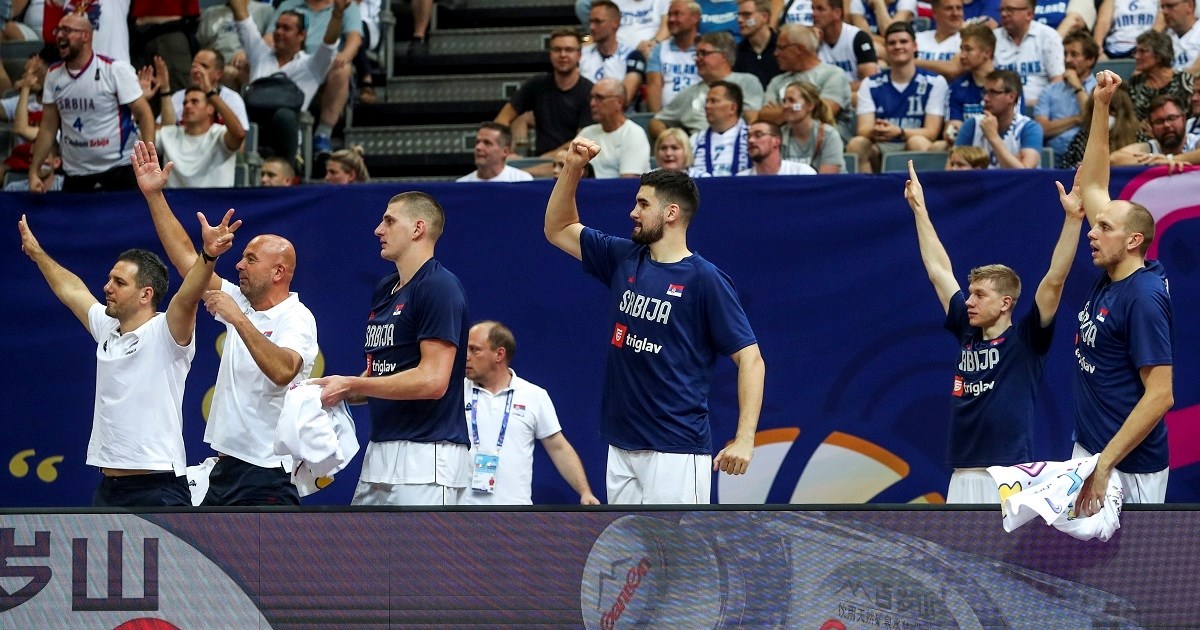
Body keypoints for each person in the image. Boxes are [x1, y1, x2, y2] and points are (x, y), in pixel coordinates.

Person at [544, 137, 765, 504]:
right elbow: (558, 228)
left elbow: (751, 359)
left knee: (679, 558)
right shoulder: (624, 256)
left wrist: (744, 438)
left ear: (671, 213)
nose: (633, 212)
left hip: (675, 447)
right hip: (621, 443)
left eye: (643, 204)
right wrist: (572, 168)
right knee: (634, 560)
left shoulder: (705, 279)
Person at [16, 191, 237, 507]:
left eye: (119, 282)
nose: (107, 287)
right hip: (108, 489)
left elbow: (188, 296)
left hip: (158, 489)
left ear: (146, 294)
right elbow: (72, 289)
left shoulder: (166, 331)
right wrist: (37, 253)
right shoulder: (108, 327)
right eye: (109, 279)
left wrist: (208, 255)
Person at [133, 140, 319, 506]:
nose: (238, 265)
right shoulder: (242, 301)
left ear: (279, 272)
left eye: (250, 259)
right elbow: (189, 262)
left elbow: (284, 370)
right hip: (226, 467)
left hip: (268, 471)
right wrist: (154, 195)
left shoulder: (296, 316)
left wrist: (237, 319)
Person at [904, 159, 1083, 503]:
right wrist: (919, 209)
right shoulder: (967, 330)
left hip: (1008, 477)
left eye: (979, 295)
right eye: (969, 293)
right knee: (956, 559)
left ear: (1005, 303)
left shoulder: (1027, 340)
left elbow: (1055, 280)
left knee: (1003, 561)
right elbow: (939, 271)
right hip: (962, 474)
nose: (968, 301)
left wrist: (1074, 220)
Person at [314, 192, 471, 506]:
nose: (378, 230)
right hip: (380, 450)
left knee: (419, 557)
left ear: (417, 229)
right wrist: (329, 391)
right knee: (362, 555)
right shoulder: (385, 288)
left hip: (427, 455)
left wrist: (352, 384)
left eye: (389, 221)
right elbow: (381, 373)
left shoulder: (439, 286)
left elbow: (433, 381)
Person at [1071, 70, 1174, 517]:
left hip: (1128, 467)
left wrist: (1104, 466)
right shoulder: (1115, 270)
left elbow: (1160, 395)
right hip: (1093, 451)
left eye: (1104, 227)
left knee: (1127, 584)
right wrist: (1101, 107)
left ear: (1133, 240)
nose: (1091, 233)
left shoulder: (1143, 297)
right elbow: (1093, 185)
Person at [460, 321, 601, 506]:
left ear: (499, 354)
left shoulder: (534, 396)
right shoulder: (455, 393)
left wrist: (585, 492)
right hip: (462, 512)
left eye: (474, 350)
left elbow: (558, 447)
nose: (466, 356)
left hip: (516, 514)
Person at [28, 12, 155, 193]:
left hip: (120, 168)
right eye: (58, 30)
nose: (59, 35)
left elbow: (144, 114)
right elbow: (48, 126)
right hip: (76, 173)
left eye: (67, 30)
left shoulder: (114, 69)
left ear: (85, 36)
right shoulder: (53, 75)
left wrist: (149, 161)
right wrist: (34, 171)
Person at [233, 0, 340, 167]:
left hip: (285, 138)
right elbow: (241, 17)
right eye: (277, 27)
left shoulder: (311, 66)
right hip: (253, 128)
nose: (278, 32)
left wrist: (338, 14)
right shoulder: (259, 53)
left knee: (285, 116)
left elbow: (329, 44)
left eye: (286, 28)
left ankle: (288, 171)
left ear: (302, 35)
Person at [847, 22, 948, 173]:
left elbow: (931, 131)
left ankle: (919, 194)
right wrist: (877, 129)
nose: (898, 46)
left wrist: (899, 132)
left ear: (914, 46)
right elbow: (863, 129)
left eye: (903, 41)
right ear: (886, 49)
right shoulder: (871, 83)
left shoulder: (935, 82)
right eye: (892, 43)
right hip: (881, 143)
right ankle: (868, 193)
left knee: (918, 143)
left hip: (912, 139)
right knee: (857, 144)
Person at [264, 0, 363, 153]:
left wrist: (345, 55)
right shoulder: (288, 4)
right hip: (294, 60)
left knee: (343, 69)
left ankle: (323, 134)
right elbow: (269, 37)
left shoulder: (345, 6)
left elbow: (354, 39)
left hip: (326, 62)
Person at [494, 28, 593, 160]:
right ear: (550, 54)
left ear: (579, 55)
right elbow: (502, 119)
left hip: (572, 161)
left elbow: (582, 142)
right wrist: (505, 149)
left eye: (569, 50)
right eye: (557, 50)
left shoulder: (589, 91)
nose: (563, 55)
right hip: (540, 161)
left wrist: (544, 159)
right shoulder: (537, 84)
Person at [149, 57, 247, 188]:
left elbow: (239, 134)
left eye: (194, 102)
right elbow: (146, 145)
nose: (187, 106)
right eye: (185, 103)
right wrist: (143, 102)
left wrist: (209, 91)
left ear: (210, 108)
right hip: (175, 205)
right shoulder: (170, 134)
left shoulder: (219, 134)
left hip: (214, 204)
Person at [648, 31, 764, 139]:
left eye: (704, 53)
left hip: (736, 143)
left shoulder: (747, 82)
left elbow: (752, 120)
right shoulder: (689, 93)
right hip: (698, 149)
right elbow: (656, 122)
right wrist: (673, 140)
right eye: (697, 54)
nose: (698, 59)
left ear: (723, 56)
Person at [760, 24, 853, 140]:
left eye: (781, 48)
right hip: (784, 143)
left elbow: (823, 114)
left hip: (824, 143)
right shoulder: (777, 81)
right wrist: (802, 110)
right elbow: (764, 115)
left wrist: (781, 112)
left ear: (799, 49)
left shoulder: (833, 75)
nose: (776, 53)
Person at [955, 69, 1043, 168]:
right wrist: (1014, 164)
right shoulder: (972, 125)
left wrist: (993, 137)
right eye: (985, 92)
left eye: (993, 93)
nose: (986, 98)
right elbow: (952, 169)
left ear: (1011, 97)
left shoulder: (1029, 128)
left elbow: (1026, 175)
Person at [1034, 31, 1097, 166]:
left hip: (1089, 157)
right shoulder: (1049, 90)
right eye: (1065, 54)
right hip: (1054, 159)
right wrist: (1075, 119)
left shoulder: (1100, 88)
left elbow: (1094, 122)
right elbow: (1041, 129)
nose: (1067, 60)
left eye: (1074, 55)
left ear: (1090, 60)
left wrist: (1077, 87)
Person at [991, 0, 1064, 107]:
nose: (1003, 14)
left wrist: (1040, 106)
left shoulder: (1049, 36)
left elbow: (1057, 81)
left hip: (1041, 109)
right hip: (1001, 109)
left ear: (1029, 14)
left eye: (1010, 10)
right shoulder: (993, 39)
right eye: (1002, 10)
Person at [579, 77, 653, 178]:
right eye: (591, 98)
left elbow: (627, 183)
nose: (592, 103)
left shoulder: (634, 134)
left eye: (599, 98)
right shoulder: (586, 133)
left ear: (619, 102)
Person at [196, 0, 275, 90]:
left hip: (245, 65)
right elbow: (203, 46)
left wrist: (247, 53)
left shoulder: (264, 10)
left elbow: (269, 45)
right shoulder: (210, 13)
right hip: (216, 64)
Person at [1059, 87, 1145, 168]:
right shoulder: (1082, 137)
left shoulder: (1138, 137)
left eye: (1111, 110)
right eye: (1099, 110)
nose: (1105, 114)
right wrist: (1080, 167)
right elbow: (1065, 169)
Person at [581, 0, 647, 105]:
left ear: (615, 24)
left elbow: (624, 100)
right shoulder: (581, 54)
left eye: (598, 22)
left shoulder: (632, 56)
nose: (592, 27)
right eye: (591, 22)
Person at [166, 49, 250, 130]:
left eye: (204, 66)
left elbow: (242, 137)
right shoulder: (178, 97)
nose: (196, 70)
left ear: (218, 74)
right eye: (194, 66)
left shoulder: (232, 99)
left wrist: (209, 91)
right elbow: (162, 133)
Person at [942, 23, 996, 147]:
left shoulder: (1008, 84)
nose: (962, 56)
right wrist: (952, 132)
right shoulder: (957, 87)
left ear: (987, 52)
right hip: (966, 149)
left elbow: (1013, 127)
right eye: (961, 49)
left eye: (968, 49)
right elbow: (952, 127)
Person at [1110, 94, 1199, 166]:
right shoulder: (1151, 147)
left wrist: (1169, 160)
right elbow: (1114, 159)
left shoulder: (1195, 142)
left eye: (1171, 118)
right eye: (1159, 122)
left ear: (1184, 119)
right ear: (1151, 128)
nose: (1166, 125)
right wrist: (1152, 161)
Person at [779, 80, 845, 172]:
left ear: (810, 106)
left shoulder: (829, 135)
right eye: (784, 101)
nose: (786, 106)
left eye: (792, 100)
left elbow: (827, 180)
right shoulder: (779, 135)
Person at [646, 0, 702, 111]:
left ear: (695, 17)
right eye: (669, 15)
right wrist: (655, 118)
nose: (671, 19)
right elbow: (654, 86)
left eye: (677, 14)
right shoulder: (659, 49)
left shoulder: (706, 47)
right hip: (667, 117)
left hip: (699, 114)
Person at [1125, 30, 1193, 120]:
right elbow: (1128, 118)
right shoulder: (1134, 83)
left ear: (1159, 55)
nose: (1136, 56)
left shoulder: (1185, 81)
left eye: (1143, 51)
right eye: (1136, 51)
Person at [688, 80, 751, 176]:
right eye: (707, 101)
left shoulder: (753, 137)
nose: (707, 106)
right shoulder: (695, 140)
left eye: (714, 101)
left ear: (733, 108)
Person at [813, 0, 878, 90]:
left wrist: (834, 90)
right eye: (812, 9)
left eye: (820, 9)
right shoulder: (812, 39)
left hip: (854, 97)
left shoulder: (858, 37)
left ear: (837, 13)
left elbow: (870, 80)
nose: (813, 14)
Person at [457, 122, 535, 183]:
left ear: (505, 151)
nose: (478, 147)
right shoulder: (461, 185)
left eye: (487, 143)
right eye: (477, 142)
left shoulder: (522, 180)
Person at [738, 120, 817, 174]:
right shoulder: (740, 180)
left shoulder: (802, 173)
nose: (751, 140)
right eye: (748, 136)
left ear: (776, 141)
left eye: (758, 135)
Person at [733, 0, 781, 88]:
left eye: (746, 15)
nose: (739, 20)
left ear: (765, 17)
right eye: (738, 15)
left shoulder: (783, 47)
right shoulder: (737, 52)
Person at [1092, 0, 1158, 59]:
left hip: (1145, 48)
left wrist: (1145, 51)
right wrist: (1098, 51)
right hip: (1114, 49)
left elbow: (1158, 28)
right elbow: (1103, 22)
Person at [1164, 0, 1199, 74]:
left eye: (1170, 6)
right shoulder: (1162, 38)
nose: (1165, 11)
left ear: (1189, 6)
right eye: (1162, 7)